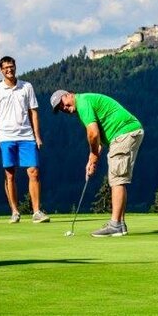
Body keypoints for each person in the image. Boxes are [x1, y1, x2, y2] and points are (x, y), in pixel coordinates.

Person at [50, 90, 143, 237]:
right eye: (60, 109)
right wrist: (92, 160)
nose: (64, 108)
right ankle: (120, 223)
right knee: (118, 179)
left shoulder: (83, 103)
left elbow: (93, 134)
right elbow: (98, 137)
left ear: (69, 94)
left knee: (117, 179)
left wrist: (93, 156)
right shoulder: (84, 102)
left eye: (63, 104)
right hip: (127, 132)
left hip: (123, 132)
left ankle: (115, 225)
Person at [0, 56, 49, 224]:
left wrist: (37, 135)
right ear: (1, 70)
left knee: (33, 172)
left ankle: (36, 211)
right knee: (10, 175)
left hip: (26, 135)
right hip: (6, 137)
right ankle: (14, 211)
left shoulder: (26, 87)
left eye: (11, 66)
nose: (9, 70)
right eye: (6, 67)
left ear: (15, 67)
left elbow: (33, 112)